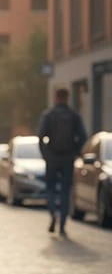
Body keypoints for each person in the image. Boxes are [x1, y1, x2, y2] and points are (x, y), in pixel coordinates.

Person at [37, 87, 87, 236]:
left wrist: (46, 155)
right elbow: (83, 136)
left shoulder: (49, 115)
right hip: (67, 157)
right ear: (67, 98)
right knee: (66, 191)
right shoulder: (73, 115)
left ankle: (53, 215)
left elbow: (41, 137)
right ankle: (63, 225)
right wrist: (75, 151)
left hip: (52, 157)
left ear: (56, 98)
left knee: (51, 189)